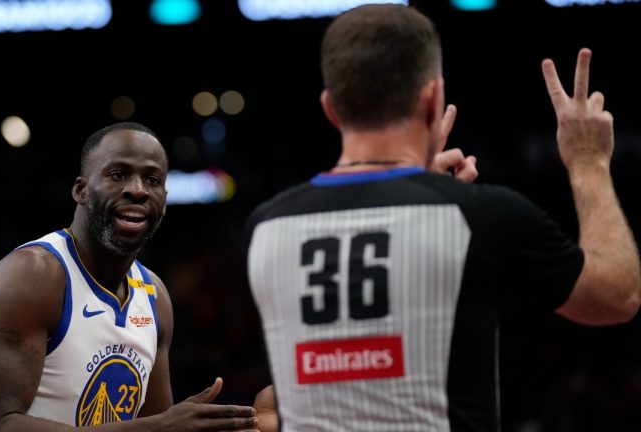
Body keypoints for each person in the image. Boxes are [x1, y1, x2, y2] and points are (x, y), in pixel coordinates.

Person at [244, 4, 641, 432]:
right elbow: (616, 296)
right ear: (434, 99)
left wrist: (413, 193)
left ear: (331, 109)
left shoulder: (264, 228)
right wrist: (588, 161)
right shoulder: (479, 216)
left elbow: (345, 364)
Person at [0, 121, 260, 431]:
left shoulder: (154, 296)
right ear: (81, 189)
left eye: (152, 179)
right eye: (118, 174)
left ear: (164, 201)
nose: (137, 190)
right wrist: (156, 429)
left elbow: (156, 425)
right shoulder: (31, 277)